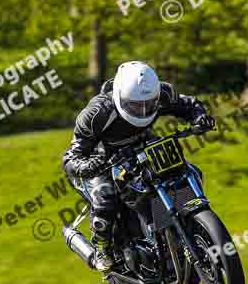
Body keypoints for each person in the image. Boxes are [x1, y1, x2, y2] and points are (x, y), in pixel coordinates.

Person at [62, 61, 215, 272]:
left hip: (143, 146)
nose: (143, 111)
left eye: (148, 105)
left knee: (190, 173)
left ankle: (174, 228)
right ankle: (101, 248)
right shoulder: (97, 113)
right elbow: (71, 157)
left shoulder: (162, 93)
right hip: (101, 160)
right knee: (105, 198)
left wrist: (200, 117)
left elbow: (188, 104)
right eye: (135, 106)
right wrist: (91, 165)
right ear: (120, 97)